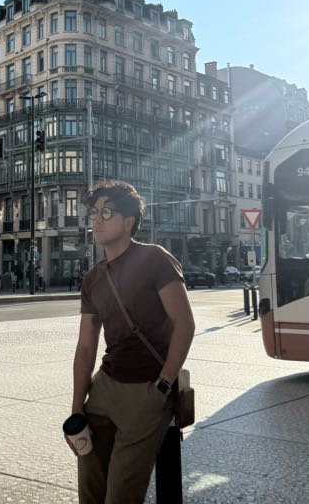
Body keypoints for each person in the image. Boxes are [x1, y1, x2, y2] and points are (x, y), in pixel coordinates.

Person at [67, 180, 196, 504]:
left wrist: (163, 384)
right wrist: (77, 409)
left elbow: (184, 324)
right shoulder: (93, 278)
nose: (96, 220)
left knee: (121, 494)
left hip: (146, 389)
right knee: (90, 488)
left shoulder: (155, 259)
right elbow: (86, 348)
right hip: (105, 387)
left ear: (128, 222)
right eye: (94, 213)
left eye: (106, 212)